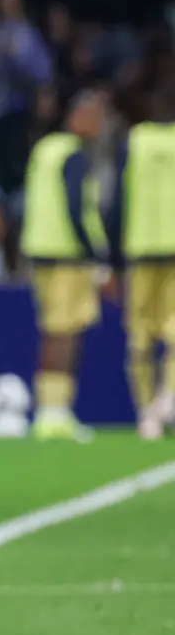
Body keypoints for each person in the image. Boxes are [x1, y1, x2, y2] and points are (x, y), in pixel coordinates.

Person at [20, 90, 109, 442]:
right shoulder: (73, 154)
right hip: (67, 255)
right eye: (96, 116)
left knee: (52, 330)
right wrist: (94, 254)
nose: (100, 125)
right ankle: (54, 411)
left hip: (41, 250)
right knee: (65, 333)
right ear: (78, 118)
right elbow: (74, 207)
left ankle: (50, 410)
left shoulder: (45, 149)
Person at [108, 82, 175, 439]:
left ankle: (148, 410)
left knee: (139, 335)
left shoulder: (133, 143)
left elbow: (118, 201)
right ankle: (168, 399)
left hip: (141, 249)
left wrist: (111, 258)